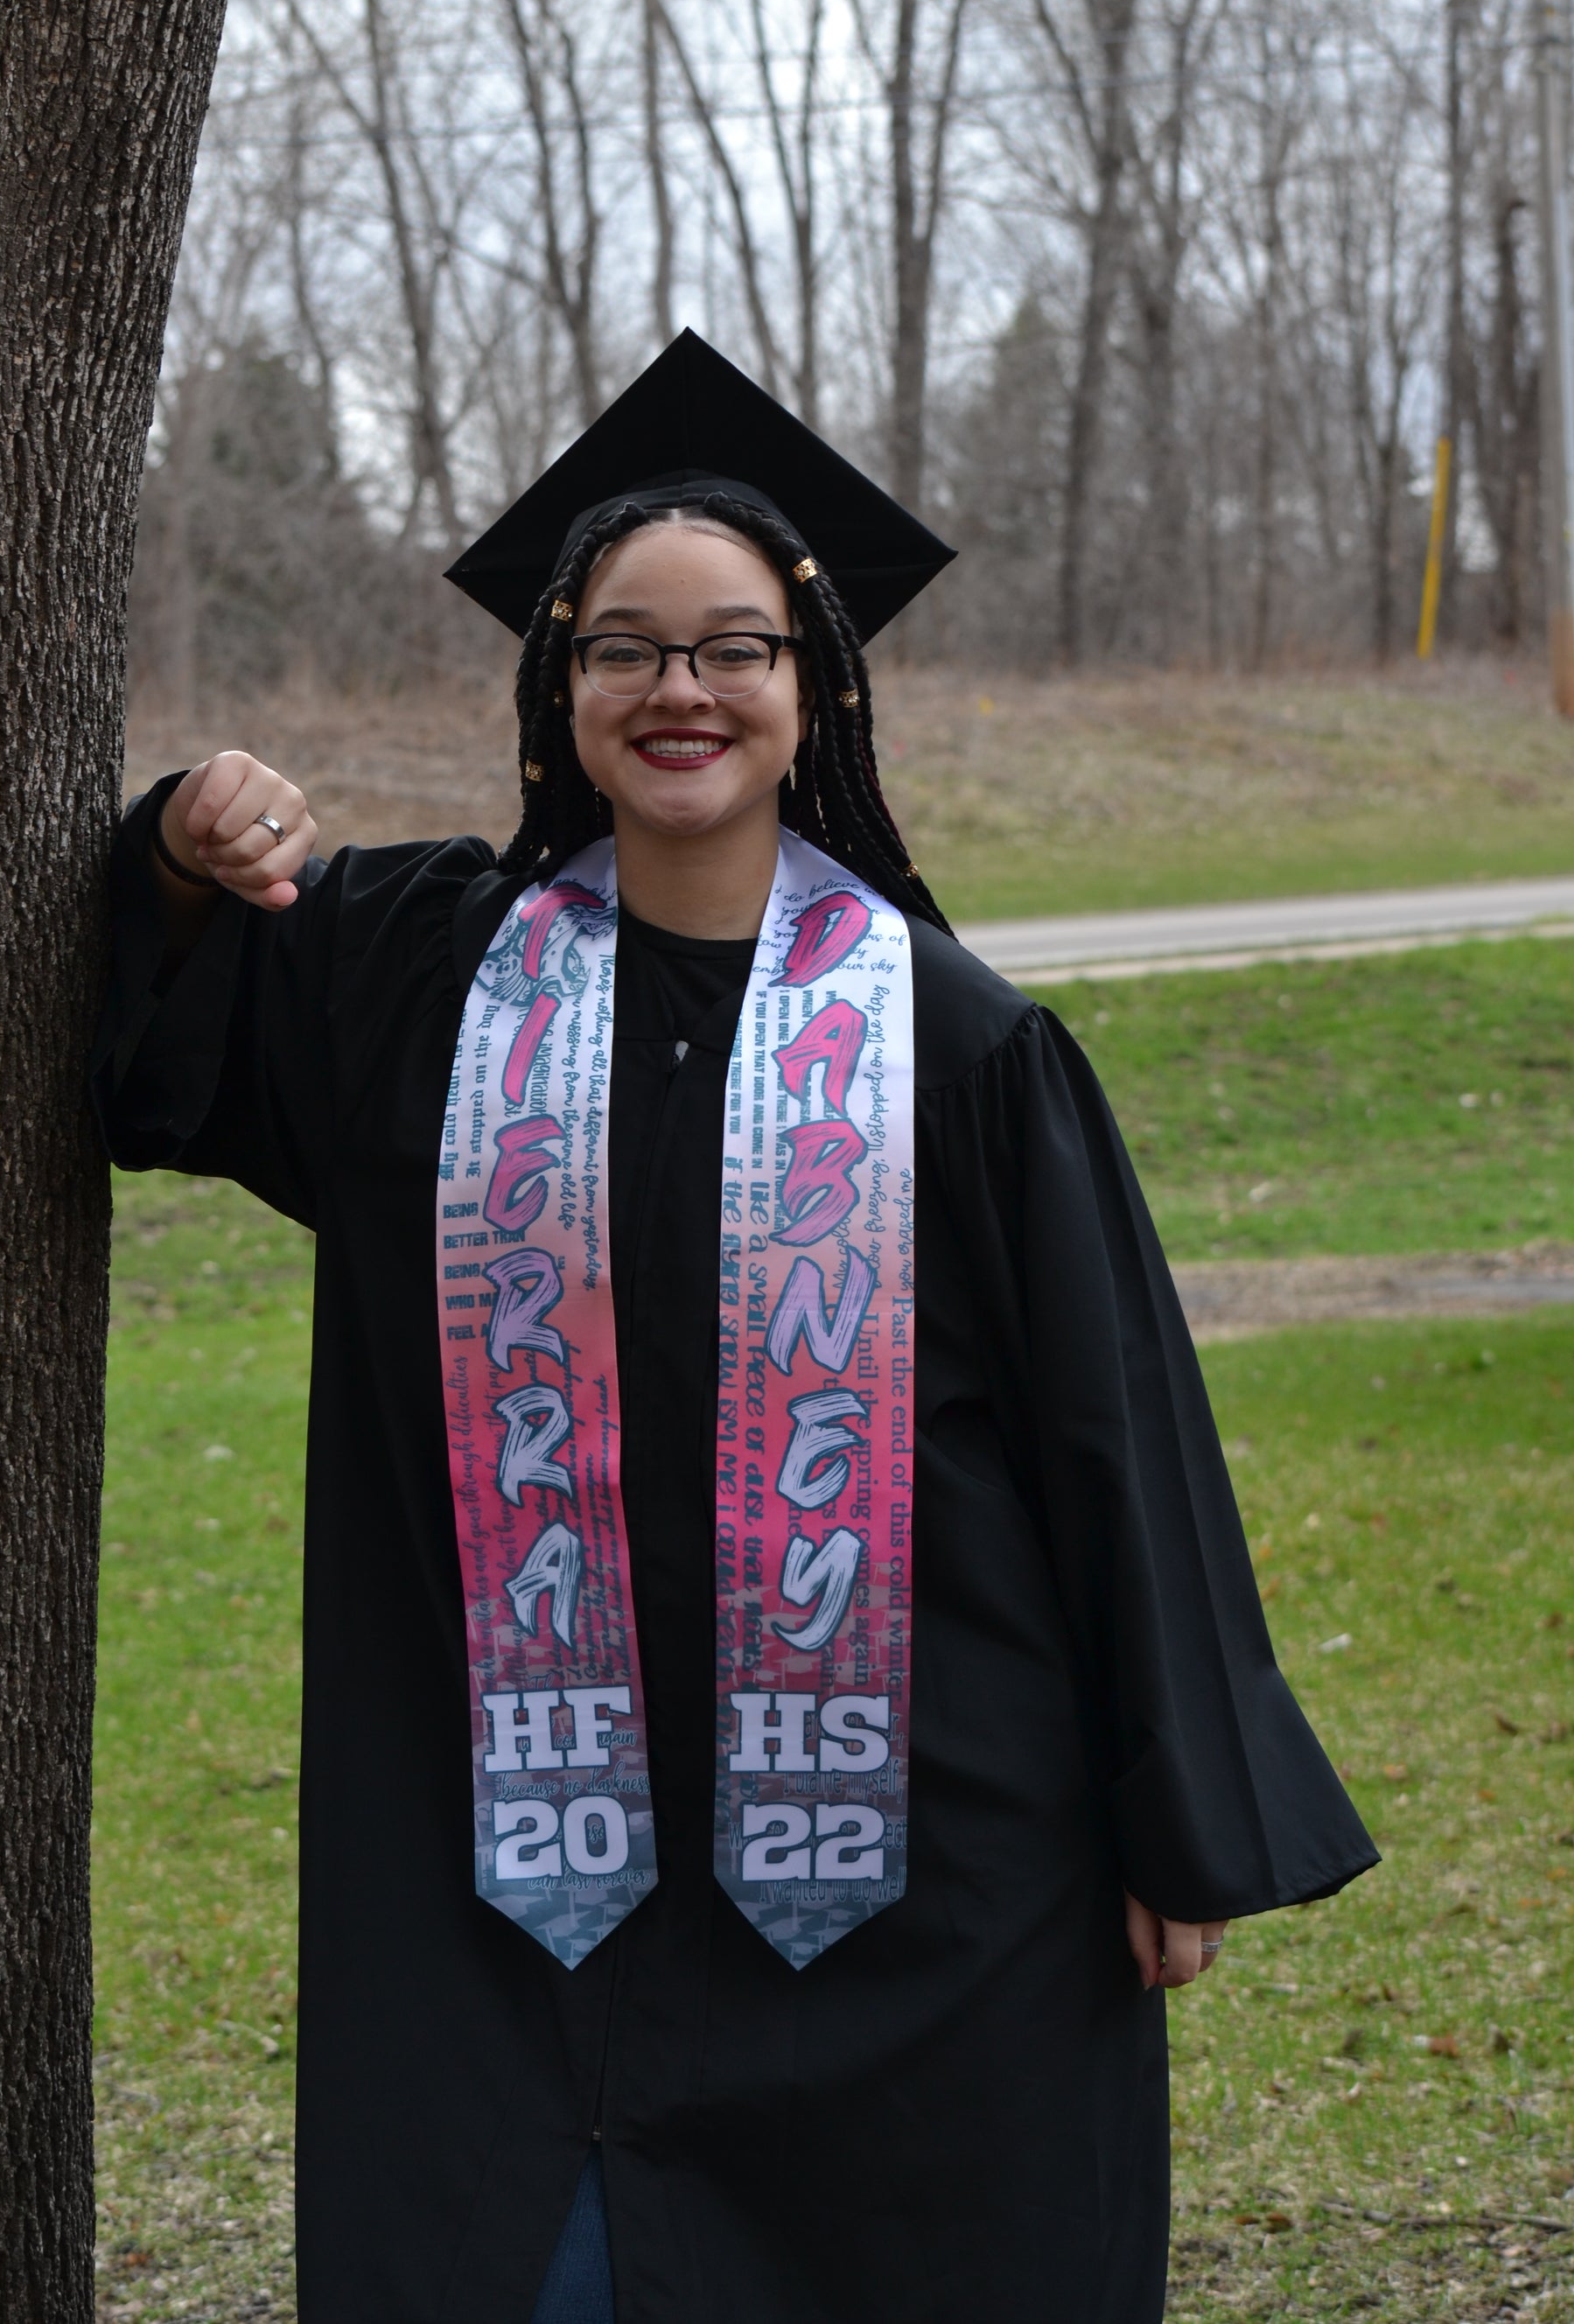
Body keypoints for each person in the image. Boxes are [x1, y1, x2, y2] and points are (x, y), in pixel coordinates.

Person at [94, 331, 1375, 2324]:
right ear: (559, 687)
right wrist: (183, 845)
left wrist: (1169, 1808)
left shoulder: (955, 1036)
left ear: (810, 690)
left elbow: (1104, 1436)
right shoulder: (423, 981)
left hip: (912, 1855)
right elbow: (154, 1051)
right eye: (624, 645)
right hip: (517, 1863)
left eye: (732, 648)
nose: (677, 687)